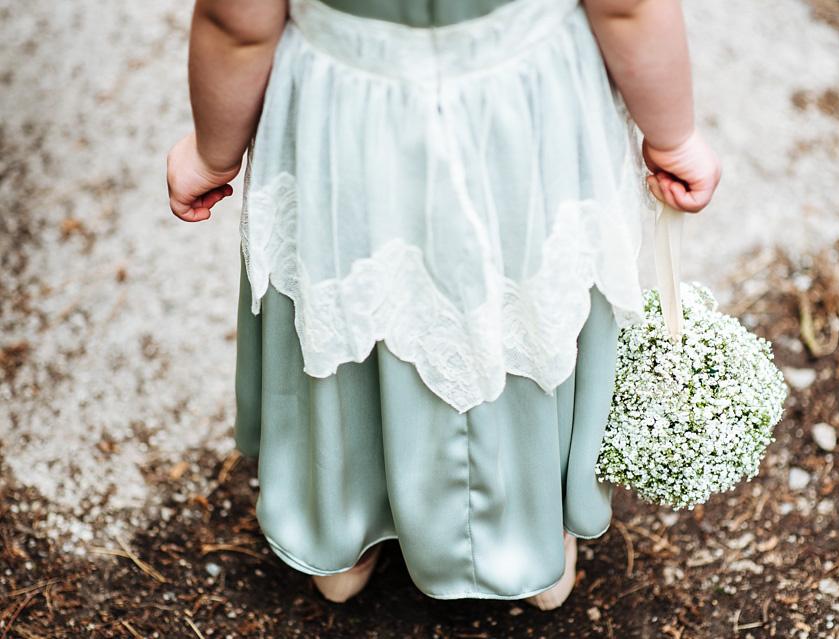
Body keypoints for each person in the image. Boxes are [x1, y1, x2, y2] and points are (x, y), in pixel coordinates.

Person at [167, 0, 720, 610]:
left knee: (356, 301)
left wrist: (212, 153)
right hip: (522, 105)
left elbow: (237, 23)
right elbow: (627, 5)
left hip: (349, 112)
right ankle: (533, 529)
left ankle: (342, 523)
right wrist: (673, 137)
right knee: (530, 301)